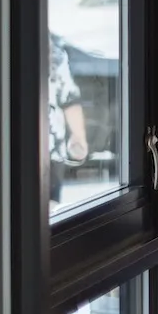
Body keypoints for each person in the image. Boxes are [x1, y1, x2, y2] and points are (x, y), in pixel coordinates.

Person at [48, 33, 88, 210]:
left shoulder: (52, 50)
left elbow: (69, 97)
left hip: (49, 152)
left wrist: (78, 136)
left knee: (48, 209)